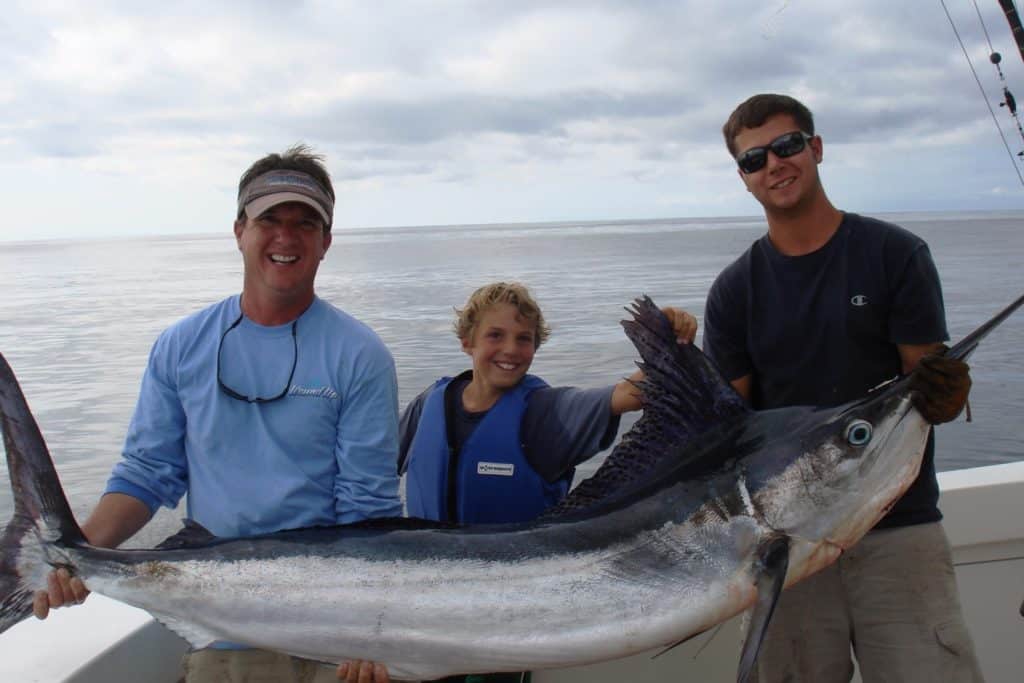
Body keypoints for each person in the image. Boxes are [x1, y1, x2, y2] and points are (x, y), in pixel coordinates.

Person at [34, 145, 401, 683]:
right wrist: (79, 554)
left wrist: (371, 630)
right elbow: (147, 472)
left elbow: (367, 508)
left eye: (305, 223)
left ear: (326, 241)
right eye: (268, 219)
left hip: (331, 633)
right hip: (220, 626)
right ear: (238, 231)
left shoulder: (361, 355)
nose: (286, 237)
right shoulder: (181, 345)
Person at [703, 93, 983, 682]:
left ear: (816, 148)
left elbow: (926, 396)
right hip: (786, 548)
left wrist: (949, 394)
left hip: (898, 529)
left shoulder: (895, 255)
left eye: (787, 146)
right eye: (755, 159)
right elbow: (723, 436)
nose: (775, 164)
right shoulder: (734, 292)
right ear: (743, 179)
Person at [341, 282, 695, 683]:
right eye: (496, 335)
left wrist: (672, 342)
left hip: (510, 615)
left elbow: (631, 393)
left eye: (524, 339)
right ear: (466, 341)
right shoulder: (428, 405)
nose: (511, 350)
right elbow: (370, 477)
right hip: (426, 606)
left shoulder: (549, 413)